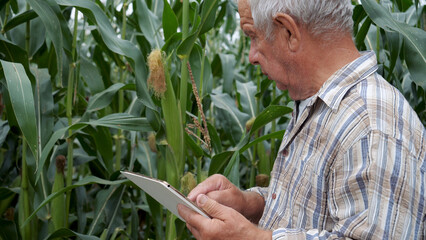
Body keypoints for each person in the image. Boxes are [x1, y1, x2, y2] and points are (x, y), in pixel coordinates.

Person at [178, 0, 426, 239]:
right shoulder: (317, 103)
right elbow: (313, 212)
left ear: (288, 32)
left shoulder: (371, 126)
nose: (252, 56)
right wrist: (248, 204)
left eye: (253, 36)